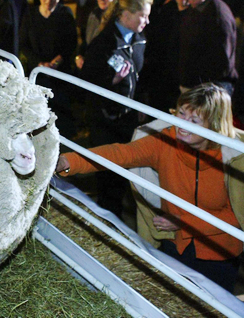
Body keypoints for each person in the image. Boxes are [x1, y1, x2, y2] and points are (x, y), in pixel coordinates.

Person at [56, 83, 244, 292]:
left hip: (220, 254)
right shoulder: (164, 142)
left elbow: (239, 214)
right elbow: (119, 153)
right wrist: (69, 162)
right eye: (181, 114)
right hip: (174, 243)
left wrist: (182, 221)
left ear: (214, 125)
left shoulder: (238, 159)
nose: (181, 125)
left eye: (194, 121)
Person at [77, 0, 152, 216]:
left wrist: (141, 104)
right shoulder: (104, 42)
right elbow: (87, 80)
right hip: (104, 119)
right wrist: (113, 80)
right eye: (143, 16)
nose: (147, 21)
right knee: (106, 173)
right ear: (126, 15)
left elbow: (140, 77)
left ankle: (116, 217)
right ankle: (107, 221)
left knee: (122, 171)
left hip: (126, 118)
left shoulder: (139, 41)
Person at [19, 0, 77, 138]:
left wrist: (57, 61)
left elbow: (71, 42)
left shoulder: (65, 14)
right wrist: (40, 64)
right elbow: (23, 43)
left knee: (61, 116)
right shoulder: (30, 14)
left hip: (60, 74)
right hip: (37, 73)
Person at [178, 0, 238, 95]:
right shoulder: (195, 9)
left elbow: (223, 61)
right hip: (193, 85)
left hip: (207, 91)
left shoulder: (218, 13)